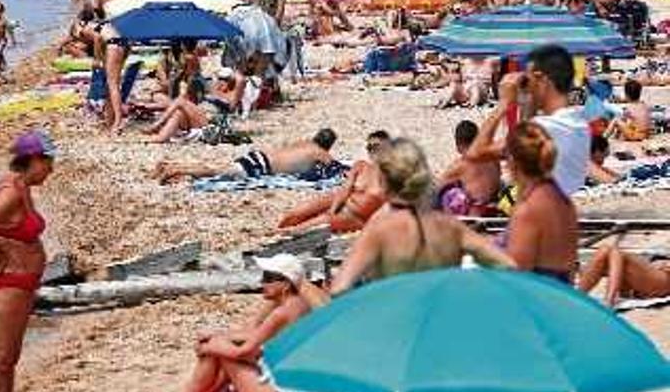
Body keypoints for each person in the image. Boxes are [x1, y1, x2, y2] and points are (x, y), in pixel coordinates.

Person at [329, 138, 517, 296]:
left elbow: (339, 288)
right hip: (442, 319)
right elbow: (507, 265)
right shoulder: (450, 226)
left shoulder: (379, 229)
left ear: (384, 182)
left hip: (399, 325)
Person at [0, 131, 55, 392]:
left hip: (20, 283)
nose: (51, 170)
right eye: (47, 163)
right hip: (11, 283)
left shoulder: (19, 185)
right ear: (32, 159)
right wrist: (4, 252)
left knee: (9, 359)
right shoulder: (11, 190)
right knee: (0, 360)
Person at [184, 254, 324, 392]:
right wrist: (219, 336)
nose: (262, 283)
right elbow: (258, 334)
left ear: (286, 284)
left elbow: (242, 352)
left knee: (219, 352)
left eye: (268, 278)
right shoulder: (301, 305)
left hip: (277, 386)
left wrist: (210, 347)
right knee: (219, 345)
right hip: (292, 380)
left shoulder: (281, 313)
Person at [467, 45, 590, 197]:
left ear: (542, 80)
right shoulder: (578, 123)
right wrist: (527, 102)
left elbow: (475, 153)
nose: (528, 87)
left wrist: (503, 104)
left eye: (529, 80)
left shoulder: (545, 128)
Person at [503, 122, 579, 283]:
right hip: (561, 297)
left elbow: (517, 279)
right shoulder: (563, 201)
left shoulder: (528, 211)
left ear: (513, 163)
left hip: (538, 303)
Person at [277, 130, 390, 233]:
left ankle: (280, 234)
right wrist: (333, 209)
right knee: (293, 215)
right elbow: (344, 190)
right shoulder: (361, 165)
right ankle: (281, 228)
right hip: (343, 199)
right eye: (369, 148)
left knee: (301, 229)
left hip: (355, 216)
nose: (372, 151)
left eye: (376, 146)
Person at [154, 129, 338, 183]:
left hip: (258, 156)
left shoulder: (303, 142)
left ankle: (173, 164)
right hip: (261, 167)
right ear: (328, 146)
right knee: (216, 170)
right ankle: (174, 169)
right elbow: (336, 169)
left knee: (219, 166)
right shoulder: (320, 153)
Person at [436, 120, 501, 216]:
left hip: (475, 216)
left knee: (446, 196)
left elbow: (436, 188)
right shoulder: (493, 160)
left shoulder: (460, 165)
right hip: (495, 209)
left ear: (458, 144)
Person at [579, 245, 670, 307]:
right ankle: (578, 295)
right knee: (605, 249)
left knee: (616, 252)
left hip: (664, 280)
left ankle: (609, 302)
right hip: (651, 271)